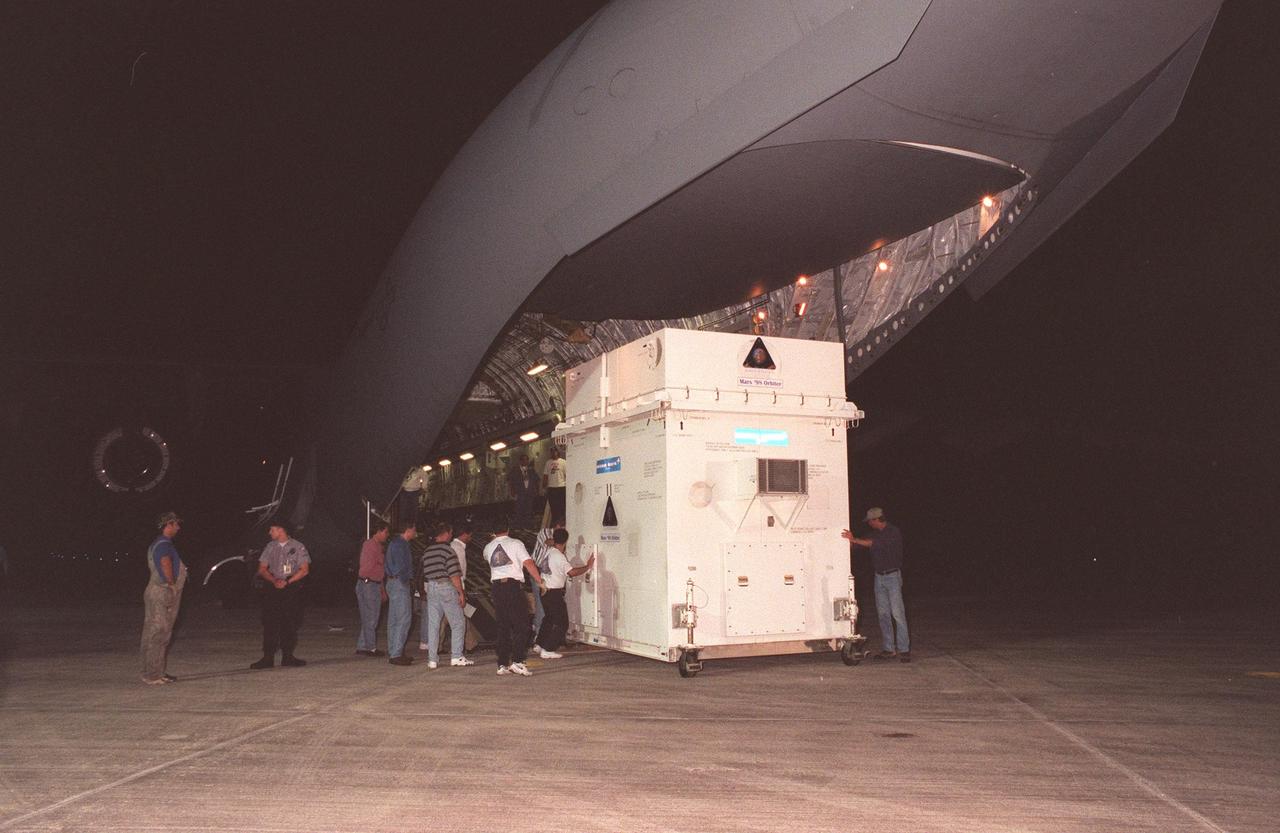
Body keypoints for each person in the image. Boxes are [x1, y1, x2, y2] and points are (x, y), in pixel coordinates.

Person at [842, 507, 910, 662]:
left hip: (892, 576)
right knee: (883, 614)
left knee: (898, 614)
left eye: (870, 521)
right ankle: (889, 649)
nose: (869, 524)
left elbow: (870, 543)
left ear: (876, 519)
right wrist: (850, 542)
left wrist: (853, 539)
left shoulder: (893, 532)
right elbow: (860, 545)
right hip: (879, 577)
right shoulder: (875, 533)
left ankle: (904, 650)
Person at [483, 517, 547, 677]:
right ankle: (518, 661)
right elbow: (529, 563)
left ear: (493, 531)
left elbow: (492, 561)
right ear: (508, 529)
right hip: (512, 587)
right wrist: (540, 582)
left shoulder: (488, 547)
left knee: (503, 626)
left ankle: (502, 663)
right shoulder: (516, 543)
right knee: (522, 625)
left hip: (497, 588)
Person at [250, 523, 311, 669]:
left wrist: (288, 581)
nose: (269, 532)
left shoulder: (298, 546)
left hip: (291, 587)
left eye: (272, 529)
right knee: (269, 621)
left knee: (289, 621)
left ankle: (288, 656)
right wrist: (274, 580)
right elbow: (262, 568)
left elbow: (304, 570)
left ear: (281, 530)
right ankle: (268, 657)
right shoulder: (270, 546)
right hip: (273, 586)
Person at [419, 521, 474, 669]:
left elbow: (423, 572)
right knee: (458, 622)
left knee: (434, 624)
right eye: (450, 533)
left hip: (431, 587)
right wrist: (460, 593)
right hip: (446, 587)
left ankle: (432, 659)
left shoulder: (427, 551)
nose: (451, 536)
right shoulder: (448, 551)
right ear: (446, 534)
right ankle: (456, 656)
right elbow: (454, 574)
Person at [533, 528, 594, 659]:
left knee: (549, 618)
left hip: (544, 590)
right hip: (554, 593)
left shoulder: (548, 552)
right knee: (562, 623)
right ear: (565, 541)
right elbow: (571, 572)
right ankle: (548, 649)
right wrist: (588, 566)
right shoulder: (559, 557)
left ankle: (539, 644)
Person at [140, 511, 186, 685]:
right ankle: (153, 675)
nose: (178, 528)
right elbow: (165, 563)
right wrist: (172, 584)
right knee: (160, 632)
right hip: (162, 591)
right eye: (176, 524)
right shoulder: (164, 544)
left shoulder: (158, 543)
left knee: (153, 631)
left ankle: (153, 671)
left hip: (155, 591)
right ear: (169, 525)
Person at [384, 519, 417, 666]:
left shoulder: (395, 543)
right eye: (414, 529)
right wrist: (405, 580)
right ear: (408, 530)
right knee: (404, 618)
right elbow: (400, 566)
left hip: (392, 582)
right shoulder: (400, 544)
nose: (415, 533)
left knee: (394, 619)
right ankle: (396, 653)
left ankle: (394, 650)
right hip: (399, 583)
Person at [354, 521, 389, 657]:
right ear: (378, 531)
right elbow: (368, 568)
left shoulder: (376, 546)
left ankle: (363, 645)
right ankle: (370, 647)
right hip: (368, 584)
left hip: (370, 583)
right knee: (372, 617)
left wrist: (381, 588)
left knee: (368, 616)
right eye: (385, 532)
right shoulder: (371, 545)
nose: (387, 535)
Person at [507, 454, 538, 526]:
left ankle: (527, 524)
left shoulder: (531, 470)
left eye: (527, 460)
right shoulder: (515, 470)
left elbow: (536, 480)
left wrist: (536, 490)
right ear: (520, 461)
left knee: (529, 508)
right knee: (519, 508)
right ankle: (519, 524)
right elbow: (510, 480)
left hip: (529, 492)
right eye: (523, 460)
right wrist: (512, 490)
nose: (525, 461)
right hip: (520, 492)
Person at [541, 446, 567, 524]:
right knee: (554, 508)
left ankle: (562, 523)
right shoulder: (548, 463)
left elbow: (567, 475)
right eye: (551, 451)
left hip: (561, 487)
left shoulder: (563, 462)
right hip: (551, 488)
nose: (553, 453)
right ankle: (556, 524)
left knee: (562, 507)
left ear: (558, 452)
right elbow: (545, 476)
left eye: (554, 451)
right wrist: (543, 487)